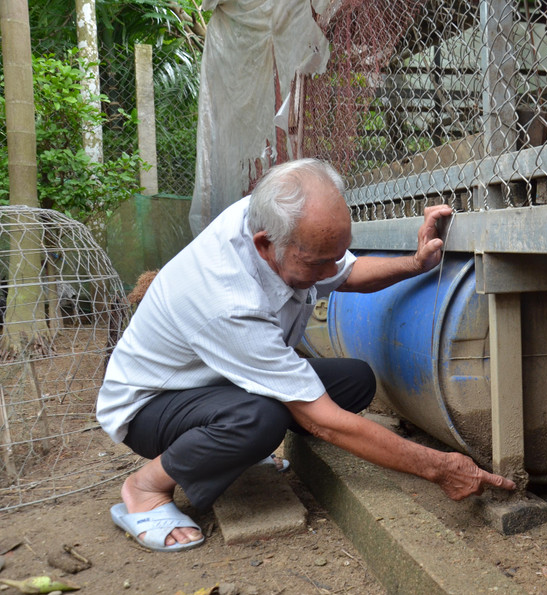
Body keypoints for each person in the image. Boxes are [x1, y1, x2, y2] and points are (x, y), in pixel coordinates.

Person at [97, 158, 515, 552]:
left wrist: (416, 264)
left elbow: (345, 272)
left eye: (334, 255)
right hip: (150, 407)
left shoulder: (275, 217)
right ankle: (145, 488)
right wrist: (439, 467)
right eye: (317, 263)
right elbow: (325, 423)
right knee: (262, 419)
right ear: (265, 245)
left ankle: (233, 449)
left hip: (213, 381)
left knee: (354, 380)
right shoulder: (228, 298)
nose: (327, 272)